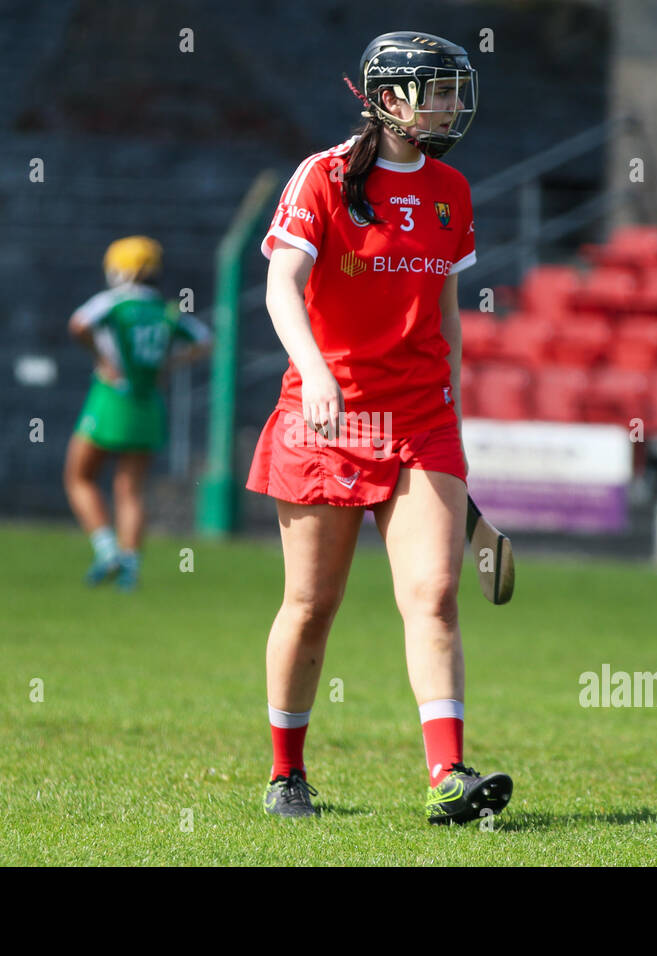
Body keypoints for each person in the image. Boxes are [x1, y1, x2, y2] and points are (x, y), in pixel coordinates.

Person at [246, 31, 513, 825]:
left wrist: (454, 405)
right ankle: (286, 773)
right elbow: (281, 288)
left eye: (454, 90)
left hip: (422, 416)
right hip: (326, 415)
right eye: (435, 90)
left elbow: (446, 314)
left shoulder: (452, 191)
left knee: (433, 595)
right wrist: (319, 373)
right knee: (311, 603)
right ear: (389, 98)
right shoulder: (323, 176)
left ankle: (447, 776)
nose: (450, 105)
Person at [63, 236, 212, 591]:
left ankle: (106, 550)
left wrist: (101, 360)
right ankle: (130, 566)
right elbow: (205, 340)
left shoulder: (114, 303)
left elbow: (78, 323)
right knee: (130, 489)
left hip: (112, 398)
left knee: (79, 476)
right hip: (148, 403)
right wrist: (170, 364)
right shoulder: (166, 311)